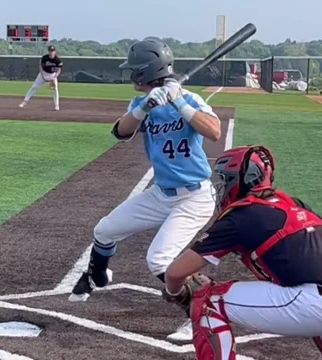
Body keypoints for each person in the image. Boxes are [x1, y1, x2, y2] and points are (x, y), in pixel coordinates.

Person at [160, 144, 322, 359]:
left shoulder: (240, 216)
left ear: (243, 179)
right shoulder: (294, 203)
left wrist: (176, 294)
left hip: (319, 306)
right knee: (319, 290)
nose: (224, 187)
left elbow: (175, 273)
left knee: (208, 302)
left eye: (227, 180)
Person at [67, 38, 221, 342]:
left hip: (194, 197)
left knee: (160, 260)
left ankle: (202, 316)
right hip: (161, 194)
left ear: (144, 72)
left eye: (134, 70)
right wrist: (144, 109)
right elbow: (121, 133)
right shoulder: (142, 104)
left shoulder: (188, 98)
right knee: (105, 230)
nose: (130, 76)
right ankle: (97, 275)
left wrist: (179, 102)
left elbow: (214, 131)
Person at [19, 45, 62, 111]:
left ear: (55, 52)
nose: (51, 52)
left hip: (52, 75)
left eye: (52, 51)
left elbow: (59, 70)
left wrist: (54, 78)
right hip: (43, 73)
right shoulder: (44, 58)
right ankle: (24, 101)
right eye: (50, 51)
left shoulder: (57, 60)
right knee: (34, 87)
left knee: (55, 89)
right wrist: (42, 75)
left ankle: (56, 105)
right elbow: (41, 67)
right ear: (48, 51)